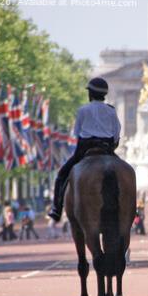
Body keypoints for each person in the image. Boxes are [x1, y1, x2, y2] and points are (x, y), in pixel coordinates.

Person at [47, 77, 121, 222]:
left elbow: (76, 132)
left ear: (91, 94)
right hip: (107, 148)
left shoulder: (82, 110)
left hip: (85, 148)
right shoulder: (111, 111)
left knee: (62, 175)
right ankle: (132, 209)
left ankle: (57, 209)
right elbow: (117, 132)